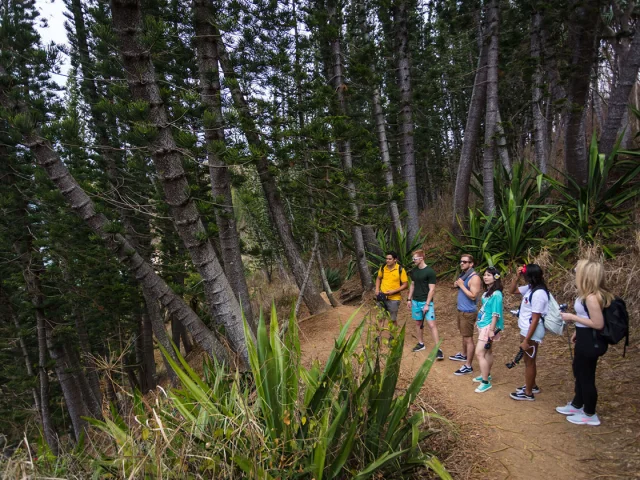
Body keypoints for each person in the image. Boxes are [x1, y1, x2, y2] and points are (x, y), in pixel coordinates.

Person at [556, 260, 611, 426]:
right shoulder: (586, 295)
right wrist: (576, 331)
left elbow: (598, 323)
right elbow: (587, 318)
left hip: (591, 342)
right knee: (579, 371)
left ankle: (590, 413)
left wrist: (572, 317)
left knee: (586, 376)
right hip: (584, 337)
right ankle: (577, 404)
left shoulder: (592, 298)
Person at [508, 264, 548, 401]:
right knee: (528, 360)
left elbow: (535, 319)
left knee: (529, 361)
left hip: (531, 332)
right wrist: (516, 277)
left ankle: (528, 393)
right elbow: (511, 291)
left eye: (524, 275)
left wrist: (526, 340)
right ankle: (532, 385)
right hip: (526, 330)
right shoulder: (531, 289)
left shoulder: (539, 294)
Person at [406, 249, 443, 359]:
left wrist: (427, 304)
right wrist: (409, 299)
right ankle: (420, 343)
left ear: (421, 258)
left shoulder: (430, 272)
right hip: (416, 301)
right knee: (418, 323)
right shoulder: (414, 271)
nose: (413, 261)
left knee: (432, 324)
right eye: (413, 259)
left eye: (415, 259)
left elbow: (432, 290)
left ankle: (438, 348)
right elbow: (412, 285)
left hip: (426, 302)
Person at [472, 267, 504, 393]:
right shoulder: (488, 292)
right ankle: (486, 374)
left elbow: (496, 313)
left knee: (479, 353)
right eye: (484, 275)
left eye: (489, 275)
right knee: (488, 351)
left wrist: (491, 329)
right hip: (483, 324)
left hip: (488, 327)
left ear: (495, 277)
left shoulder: (496, 294)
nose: (485, 277)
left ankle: (485, 382)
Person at [450, 254, 482, 376]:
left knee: (468, 338)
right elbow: (458, 285)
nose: (462, 263)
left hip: (468, 312)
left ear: (471, 264)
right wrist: (458, 284)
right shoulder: (465, 274)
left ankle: (468, 365)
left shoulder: (474, 278)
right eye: (461, 261)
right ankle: (463, 355)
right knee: (464, 335)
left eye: (465, 262)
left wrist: (462, 285)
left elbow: (473, 295)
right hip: (461, 310)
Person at [375, 251, 408, 329]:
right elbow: (378, 278)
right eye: (386, 259)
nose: (387, 260)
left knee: (392, 319)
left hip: (394, 298)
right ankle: (378, 337)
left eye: (390, 259)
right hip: (381, 296)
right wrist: (377, 289)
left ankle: (393, 337)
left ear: (395, 260)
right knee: (380, 317)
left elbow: (405, 284)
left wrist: (393, 291)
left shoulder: (400, 269)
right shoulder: (383, 268)